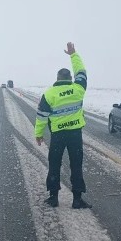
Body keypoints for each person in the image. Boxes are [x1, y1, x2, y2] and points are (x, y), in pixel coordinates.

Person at [34, 42, 92, 209]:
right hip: (75, 135)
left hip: (58, 136)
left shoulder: (49, 94)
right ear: (70, 79)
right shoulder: (79, 89)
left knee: (54, 164)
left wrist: (39, 134)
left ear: (58, 79)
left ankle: (53, 197)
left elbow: (41, 117)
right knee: (76, 165)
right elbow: (81, 71)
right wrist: (73, 55)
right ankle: (77, 199)